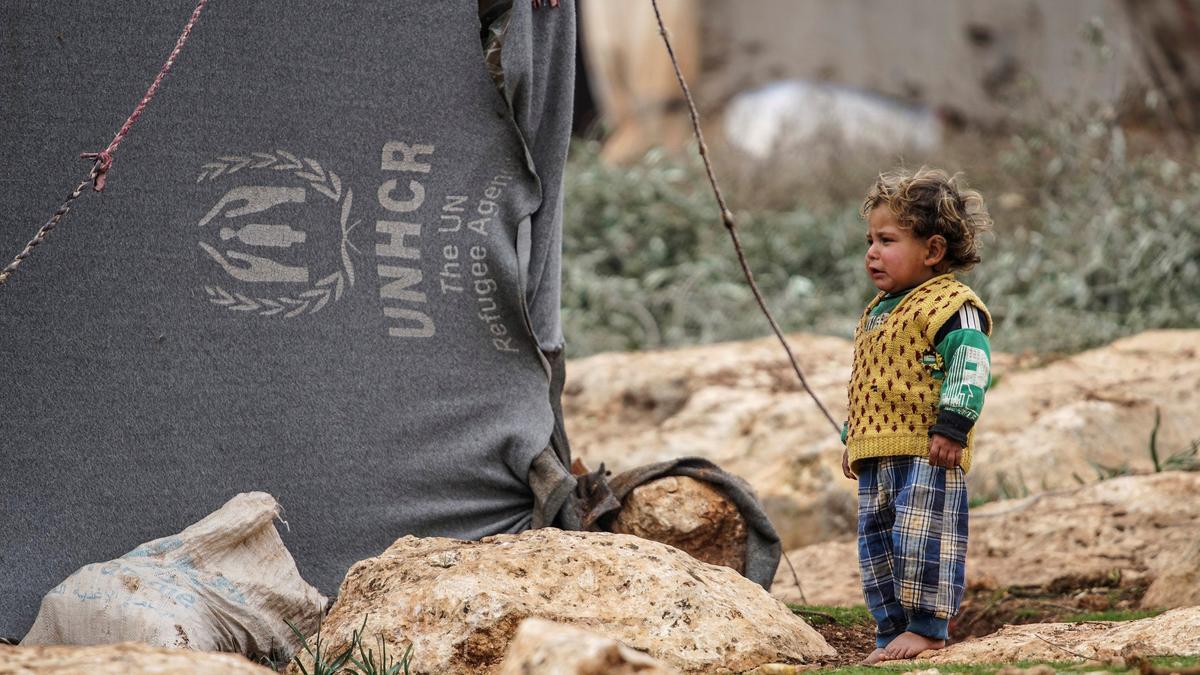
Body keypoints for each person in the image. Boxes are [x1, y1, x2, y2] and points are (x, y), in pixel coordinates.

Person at [839, 166, 993, 664]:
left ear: (932, 250)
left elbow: (970, 366)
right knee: (878, 543)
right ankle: (891, 630)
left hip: (929, 449)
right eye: (870, 239)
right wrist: (853, 436)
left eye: (887, 239)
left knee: (923, 537)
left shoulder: (953, 306)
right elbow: (871, 381)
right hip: (878, 452)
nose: (872, 251)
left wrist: (954, 425)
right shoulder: (878, 308)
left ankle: (928, 627)